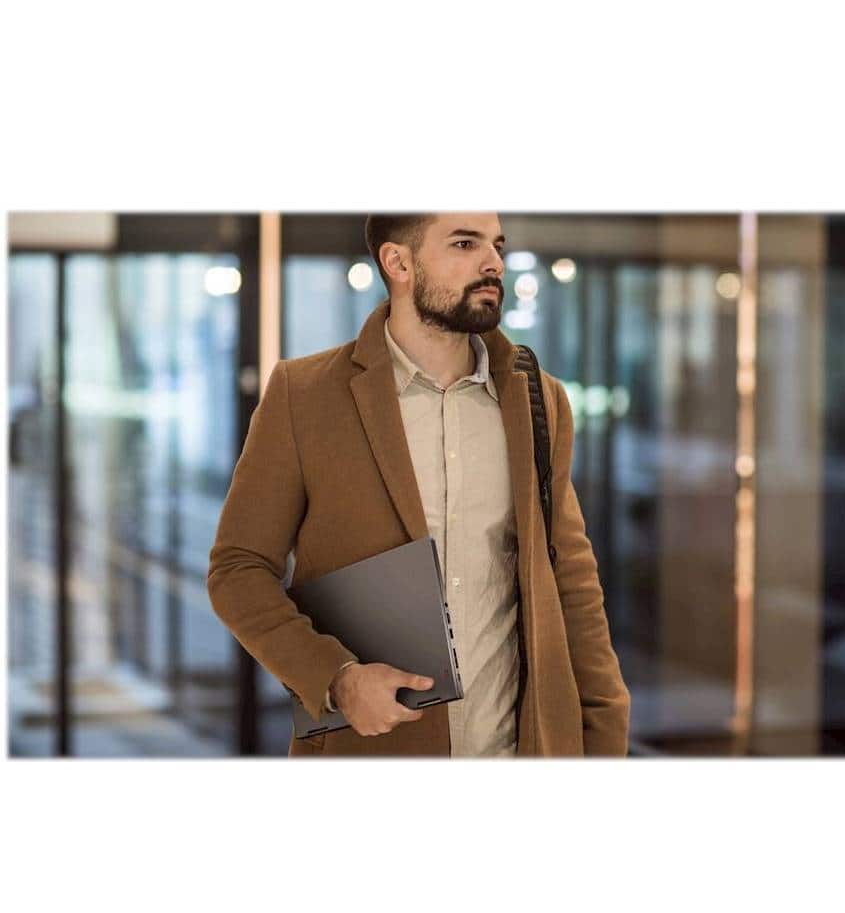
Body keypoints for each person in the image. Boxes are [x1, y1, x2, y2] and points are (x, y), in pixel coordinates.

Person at [207, 212, 630, 757]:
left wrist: (605, 733)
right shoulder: (304, 396)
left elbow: (571, 578)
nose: (493, 263)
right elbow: (238, 570)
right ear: (398, 262)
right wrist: (336, 679)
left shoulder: (539, 400)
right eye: (465, 244)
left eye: (497, 246)